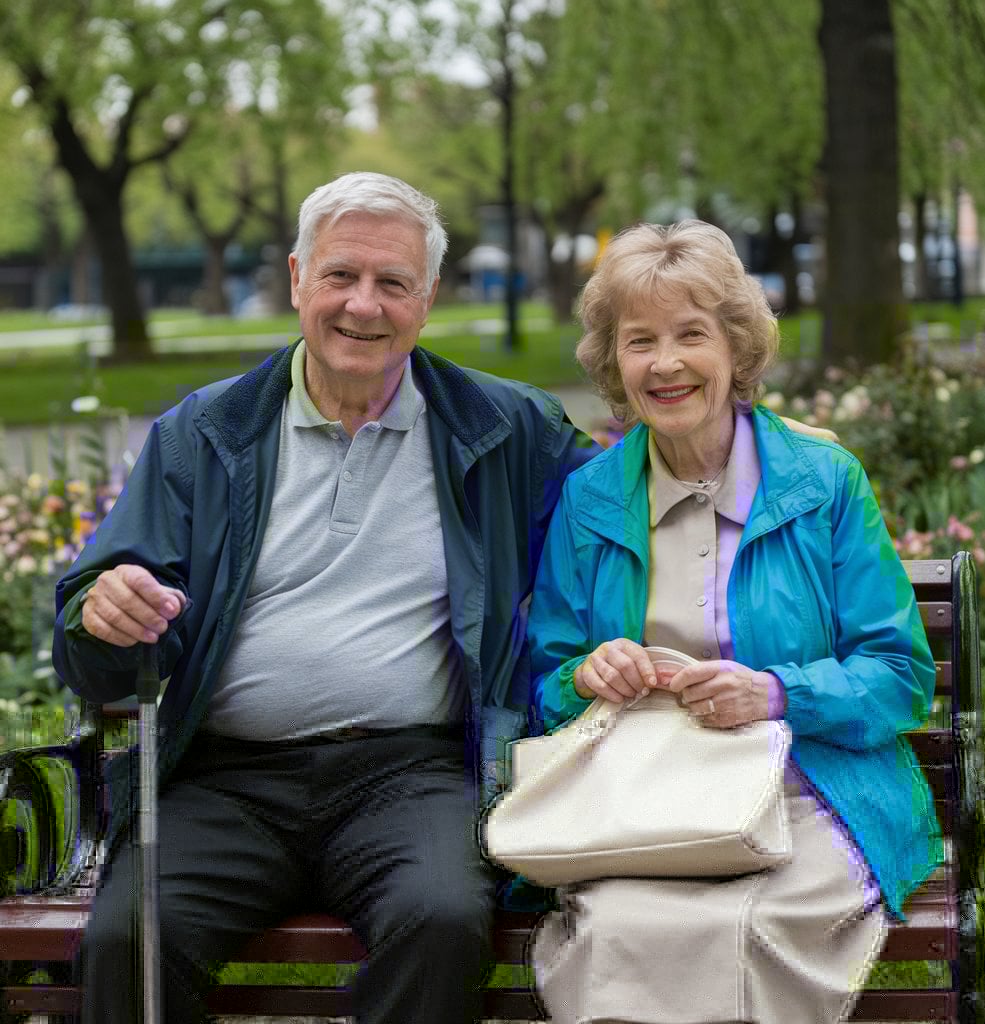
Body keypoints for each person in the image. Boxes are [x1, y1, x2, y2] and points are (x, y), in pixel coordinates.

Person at [52, 171, 596, 1024]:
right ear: (299, 278)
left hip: (411, 773)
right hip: (224, 777)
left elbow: (633, 502)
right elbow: (93, 643)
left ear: (428, 299)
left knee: (446, 921)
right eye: (342, 276)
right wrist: (102, 612)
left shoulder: (502, 426)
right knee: (129, 938)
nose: (364, 305)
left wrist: (762, 448)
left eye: (392, 283)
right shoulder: (206, 433)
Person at [525, 220, 943, 1024]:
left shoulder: (824, 483)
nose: (667, 363)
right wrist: (585, 675)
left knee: (760, 927)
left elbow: (899, 675)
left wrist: (776, 693)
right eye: (640, 340)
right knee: (618, 928)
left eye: (691, 335)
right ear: (615, 362)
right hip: (644, 798)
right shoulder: (590, 499)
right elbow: (548, 680)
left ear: (736, 349)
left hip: (810, 785)